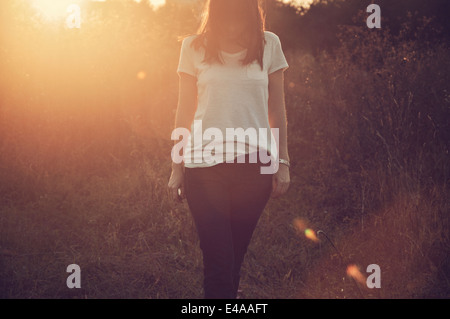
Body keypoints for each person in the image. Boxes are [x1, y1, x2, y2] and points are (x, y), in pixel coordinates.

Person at [167, 0, 290, 299]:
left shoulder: (269, 44)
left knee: (233, 259)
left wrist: (282, 160)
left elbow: (278, 109)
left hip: (255, 164)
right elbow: (184, 111)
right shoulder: (193, 46)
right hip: (204, 165)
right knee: (219, 260)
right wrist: (176, 166)